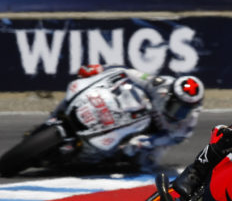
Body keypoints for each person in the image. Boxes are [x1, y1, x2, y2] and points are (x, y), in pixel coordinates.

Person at [63, 64, 205, 169]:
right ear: (169, 95)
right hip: (140, 111)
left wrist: (144, 142)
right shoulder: (159, 85)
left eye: (185, 109)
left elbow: (168, 139)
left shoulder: (187, 125)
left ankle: (98, 159)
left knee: (145, 164)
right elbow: (126, 72)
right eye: (177, 106)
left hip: (156, 134)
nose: (179, 113)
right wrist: (99, 70)